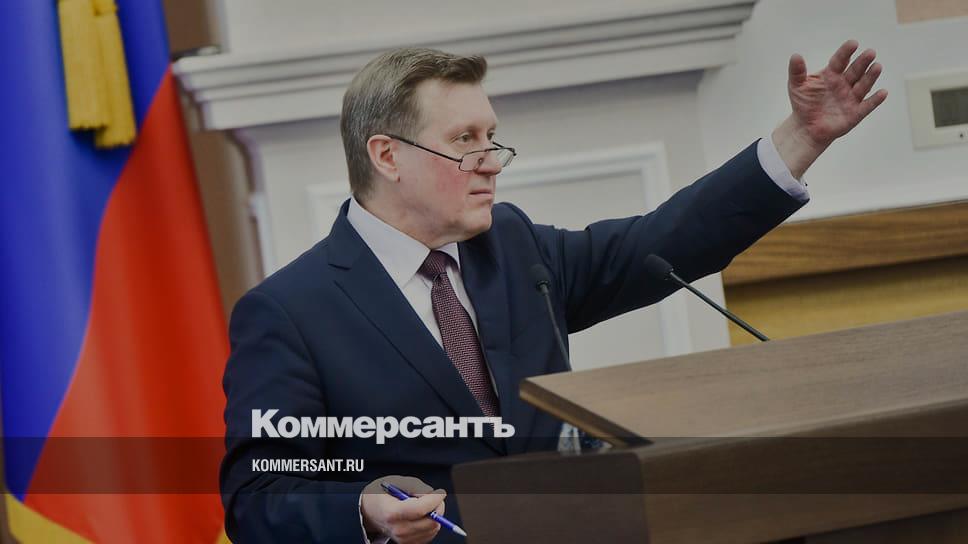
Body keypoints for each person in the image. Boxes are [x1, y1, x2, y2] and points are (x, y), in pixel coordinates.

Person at [221, 42, 886, 543]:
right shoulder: (290, 313)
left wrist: (802, 137)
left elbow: (662, 244)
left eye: (491, 137)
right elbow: (258, 499)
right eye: (464, 141)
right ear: (387, 156)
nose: (491, 161)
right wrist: (365, 510)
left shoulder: (511, 245)